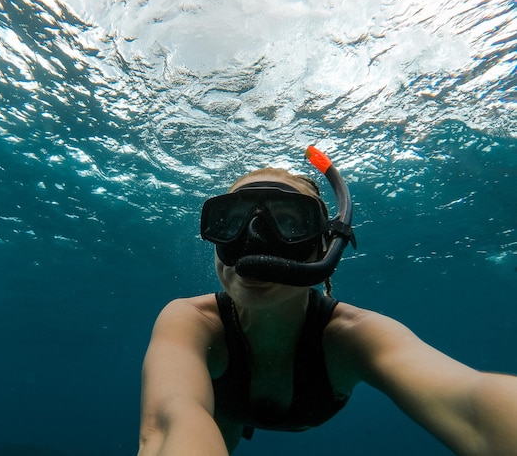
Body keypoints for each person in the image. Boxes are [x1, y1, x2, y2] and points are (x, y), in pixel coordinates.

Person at [138, 146, 517, 455]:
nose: (254, 240)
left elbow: (471, 403)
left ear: (323, 247)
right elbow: (170, 423)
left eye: (288, 223)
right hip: (225, 410)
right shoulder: (191, 319)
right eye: (231, 221)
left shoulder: (354, 336)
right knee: (218, 430)